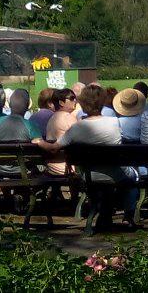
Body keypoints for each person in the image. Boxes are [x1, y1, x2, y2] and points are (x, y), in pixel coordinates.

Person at [37, 83, 126, 229]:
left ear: (83, 103)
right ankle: (123, 212)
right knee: (133, 174)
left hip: (88, 175)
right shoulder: (115, 122)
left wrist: (39, 141)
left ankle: (99, 212)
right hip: (114, 174)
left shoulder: (77, 127)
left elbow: (54, 148)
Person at [40, 87, 79, 174]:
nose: (75, 100)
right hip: (67, 168)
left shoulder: (52, 118)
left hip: (51, 166)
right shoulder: (68, 118)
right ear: (61, 102)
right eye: (72, 98)